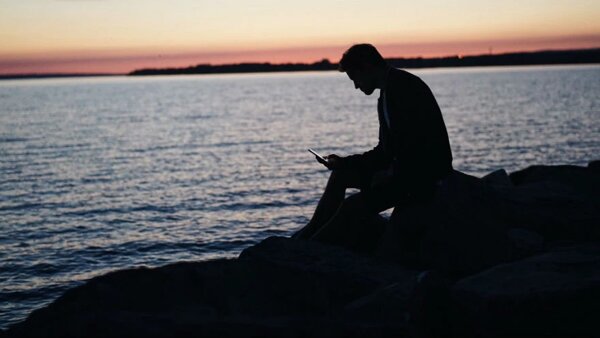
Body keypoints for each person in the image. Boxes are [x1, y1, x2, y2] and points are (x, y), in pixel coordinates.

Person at [293, 44, 453, 249]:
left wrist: (389, 173)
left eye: (355, 78)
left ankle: (313, 248)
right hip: (404, 172)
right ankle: (311, 231)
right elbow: (384, 151)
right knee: (341, 175)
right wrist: (344, 162)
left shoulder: (405, 88)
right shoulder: (387, 94)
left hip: (423, 177)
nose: (356, 86)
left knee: (352, 206)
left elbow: (418, 147)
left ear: (367, 67)